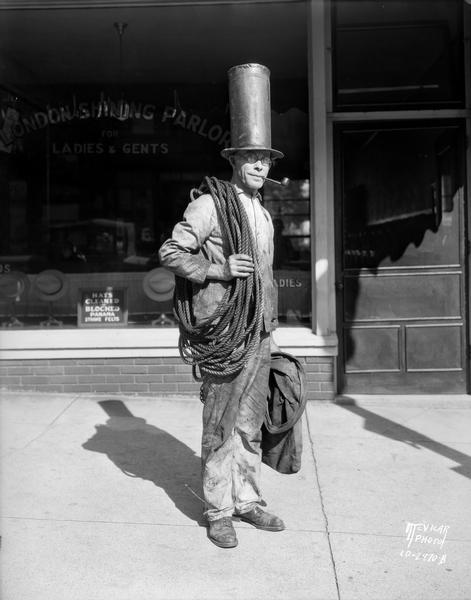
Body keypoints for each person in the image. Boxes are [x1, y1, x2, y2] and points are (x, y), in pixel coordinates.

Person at [159, 63, 285, 549]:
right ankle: (218, 510)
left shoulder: (264, 213)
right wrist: (219, 270)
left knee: (251, 425)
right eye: (251, 156)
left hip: (260, 333)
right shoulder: (210, 205)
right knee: (220, 424)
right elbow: (171, 253)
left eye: (265, 159)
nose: (259, 165)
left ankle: (248, 501)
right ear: (235, 159)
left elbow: (267, 277)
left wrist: (271, 325)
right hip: (224, 333)